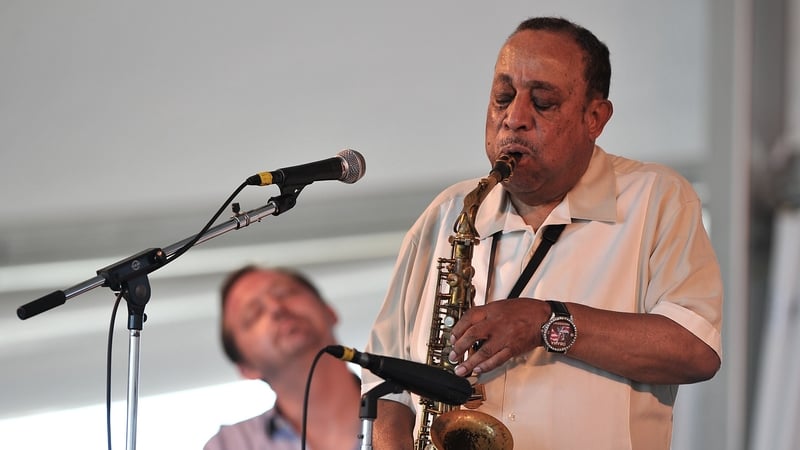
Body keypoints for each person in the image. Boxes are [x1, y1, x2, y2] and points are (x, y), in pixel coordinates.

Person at [362, 16, 723, 450]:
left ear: (595, 117)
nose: (513, 119)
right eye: (502, 98)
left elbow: (694, 349)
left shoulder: (657, 198)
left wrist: (546, 322)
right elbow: (386, 384)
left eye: (543, 103)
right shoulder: (446, 214)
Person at [203, 265, 362, 450]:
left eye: (286, 293)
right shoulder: (230, 445)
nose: (276, 308)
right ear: (246, 368)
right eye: (254, 314)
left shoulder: (401, 403)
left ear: (330, 312)